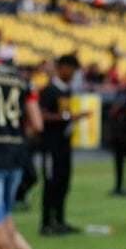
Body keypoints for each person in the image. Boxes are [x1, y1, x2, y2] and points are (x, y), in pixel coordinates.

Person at [0, 58, 42, 249]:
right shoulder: (21, 79)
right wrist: (16, 139)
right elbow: (37, 124)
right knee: (5, 222)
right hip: (15, 157)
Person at [39, 54, 90, 235]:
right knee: (51, 183)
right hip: (52, 145)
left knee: (63, 182)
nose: (74, 74)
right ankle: (46, 223)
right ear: (63, 68)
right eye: (72, 69)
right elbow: (42, 115)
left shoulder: (66, 90)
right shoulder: (49, 90)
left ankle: (60, 220)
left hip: (64, 145)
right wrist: (69, 117)